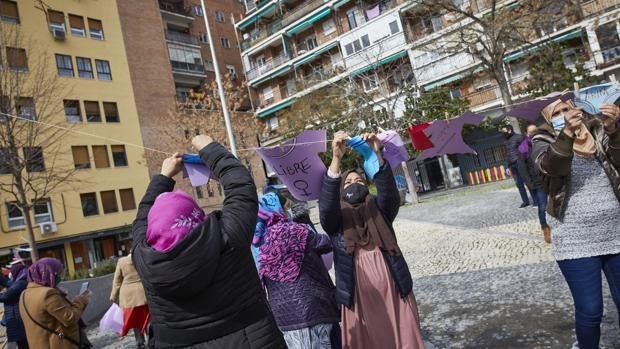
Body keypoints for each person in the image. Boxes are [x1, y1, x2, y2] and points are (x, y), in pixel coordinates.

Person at [131, 135, 285, 348]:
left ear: (152, 229)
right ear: (196, 216)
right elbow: (240, 186)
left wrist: (163, 176)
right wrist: (208, 146)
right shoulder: (227, 237)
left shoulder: (142, 258)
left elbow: (140, 219)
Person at [319, 131, 425, 349]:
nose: (354, 184)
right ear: (341, 189)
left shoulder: (378, 209)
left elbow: (389, 194)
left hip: (392, 283)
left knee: (402, 337)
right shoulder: (336, 220)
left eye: (359, 180)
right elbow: (326, 207)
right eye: (348, 182)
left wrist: (378, 153)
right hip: (357, 290)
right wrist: (336, 159)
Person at [532, 99, 620, 349]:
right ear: (549, 120)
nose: (563, 114)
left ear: (577, 108)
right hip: (575, 240)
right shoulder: (542, 142)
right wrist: (567, 134)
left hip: (616, 232)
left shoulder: (599, 129)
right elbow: (551, 167)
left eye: (566, 108)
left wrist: (614, 132)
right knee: (591, 310)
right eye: (556, 113)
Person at [256, 192, 340, 348]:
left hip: (283, 317)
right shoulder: (296, 230)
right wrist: (304, 221)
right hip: (313, 308)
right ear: (279, 209)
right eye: (286, 207)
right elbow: (325, 243)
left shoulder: (258, 241)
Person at [19, 258, 90, 349]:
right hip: (57, 344)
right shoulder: (48, 293)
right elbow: (69, 318)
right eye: (57, 273)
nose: (59, 276)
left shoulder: (24, 293)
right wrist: (81, 300)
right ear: (49, 273)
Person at [519, 124, 551, 243]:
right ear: (526, 133)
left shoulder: (544, 141)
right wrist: (529, 183)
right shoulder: (523, 148)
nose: (533, 134)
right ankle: (545, 228)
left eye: (535, 131)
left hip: (550, 177)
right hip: (537, 181)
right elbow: (522, 168)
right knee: (542, 205)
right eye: (530, 132)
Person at [110, 254, 149, 349]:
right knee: (147, 319)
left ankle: (140, 343)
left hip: (128, 297)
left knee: (135, 320)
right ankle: (151, 339)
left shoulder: (121, 262)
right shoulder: (142, 258)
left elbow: (117, 281)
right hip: (143, 294)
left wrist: (113, 296)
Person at [501, 125, 532, 207]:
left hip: (520, 162)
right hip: (511, 165)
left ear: (509, 130)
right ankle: (525, 201)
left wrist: (526, 160)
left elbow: (527, 148)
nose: (503, 133)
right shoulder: (505, 142)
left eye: (504, 131)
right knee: (519, 184)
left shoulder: (519, 137)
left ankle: (536, 200)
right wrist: (506, 166)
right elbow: (506, 154)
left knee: (527, 181)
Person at [0, 263, 29, 349]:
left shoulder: (21, 282)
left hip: (17, 319)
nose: (11, 273)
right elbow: (8, 283)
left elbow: (6, 296)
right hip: (17, 317)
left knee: (23, 344)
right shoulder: (20, 280)